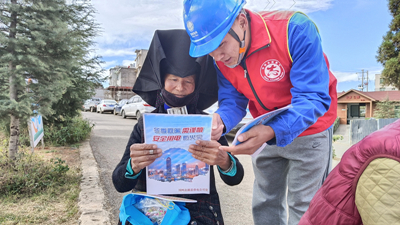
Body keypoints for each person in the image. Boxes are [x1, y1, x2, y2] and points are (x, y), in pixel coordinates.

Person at [183, 1, 337, 225]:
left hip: (309, 128)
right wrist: (222, 120)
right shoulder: (220, 59)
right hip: (262, 128)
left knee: (305, 206)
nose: (218, 57)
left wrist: (273, 130)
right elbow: (233, 100)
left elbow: (313, 97)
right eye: (209, 50)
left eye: (221, 44)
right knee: (265, 201)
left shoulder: (294, 29)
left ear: (242, 21)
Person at [112, 29, 244, 225]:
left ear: (196, 85)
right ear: (162, 82)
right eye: (173, 80)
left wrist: (225, 161)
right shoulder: (146, 124)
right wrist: (134, 165)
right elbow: (120, 183)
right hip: (152, 212)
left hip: (198, 213)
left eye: (188, 82)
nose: (180, 87)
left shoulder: (208, 123)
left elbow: (235, 178)